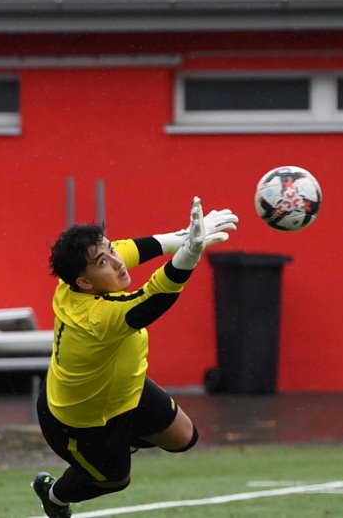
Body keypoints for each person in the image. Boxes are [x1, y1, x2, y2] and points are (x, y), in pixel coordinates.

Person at [32, 197, 238, 518]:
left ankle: (123, 436)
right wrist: (189, 255)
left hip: (125, 391)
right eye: (103, 262)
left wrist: (187, 235)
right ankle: (54, 496)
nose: (116, 262)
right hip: (80, 421)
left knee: (184, 438)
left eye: (110, 250)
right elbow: (153, 296)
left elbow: (135, 248)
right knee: (115, 480)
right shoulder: (96, 319)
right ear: (84, 282)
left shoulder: (80, 278)